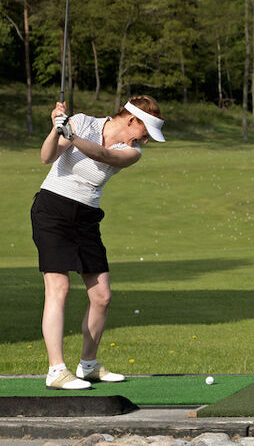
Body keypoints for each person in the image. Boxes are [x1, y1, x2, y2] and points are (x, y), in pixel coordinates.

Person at [32, 96, 166, 390]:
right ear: (132, 120)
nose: (146, 139)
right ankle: (56, 370)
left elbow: (103, 157)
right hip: (52, 210)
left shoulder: (132, 152)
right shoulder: (82, 122)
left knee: (102, 296)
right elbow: (46, 157)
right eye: (145, 132)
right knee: (59, 287)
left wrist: (73, 137)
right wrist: (57, 129)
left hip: (87, 217)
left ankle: (88, 366)